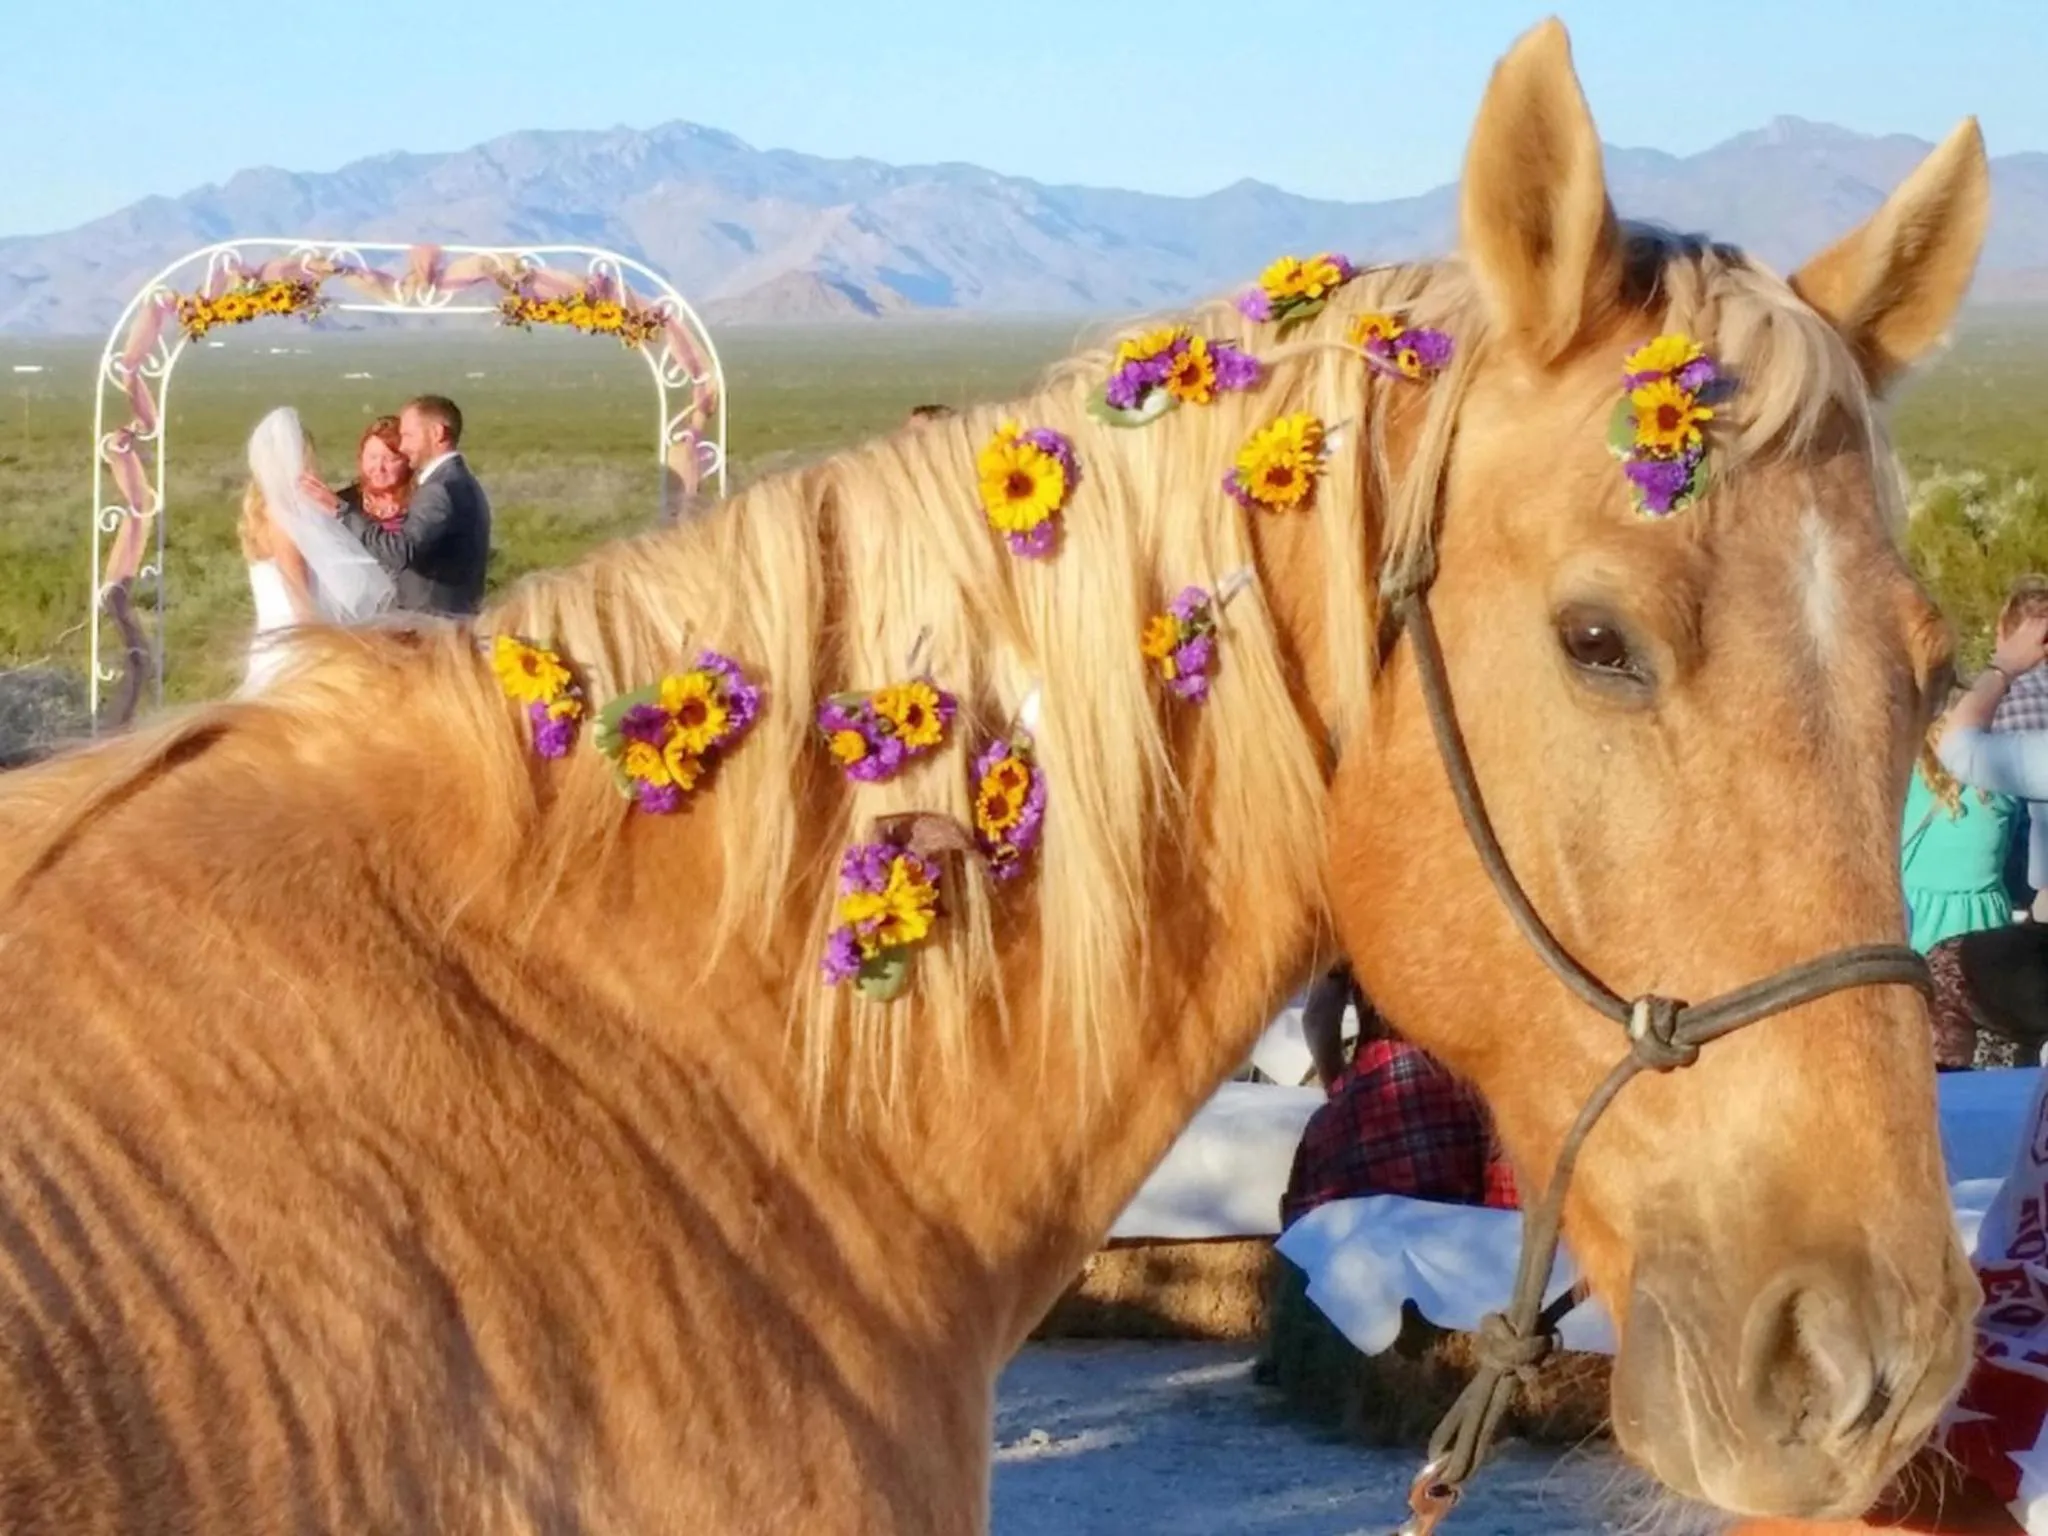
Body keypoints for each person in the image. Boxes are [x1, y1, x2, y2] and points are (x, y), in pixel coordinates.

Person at [1279, 963, 1517, 1229]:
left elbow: (1297, 1244)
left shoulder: (1326, 1133)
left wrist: (1338, 1089)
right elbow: (1516, 1225)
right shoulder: (1491, 1109)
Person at [238, 406, 398, 694]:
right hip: (293, 641)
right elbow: (299, 594)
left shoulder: (263, 513)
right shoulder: (282, 518)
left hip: (271, 637)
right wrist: (319, 648)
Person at [1902, 701, 2026, 1069]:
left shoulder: (1902, 787)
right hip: (1988, 940)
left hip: (1921, 939)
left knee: (1932, 1065)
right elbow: (2017, 864)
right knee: (1998, 1064)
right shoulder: (2001, 790)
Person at [301, 394, 491, 617]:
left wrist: (340, 511)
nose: (404, 445)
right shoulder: (460, 481)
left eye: (408, 436)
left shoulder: (439, 488)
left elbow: (399, 551)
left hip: (430, 625)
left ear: (437, 433)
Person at [336, 416, 413, 533]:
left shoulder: (422, 502)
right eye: (373, 457)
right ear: (361, 458)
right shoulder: (344, 501)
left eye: (390, 459)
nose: (379, 467)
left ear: (408, 460)